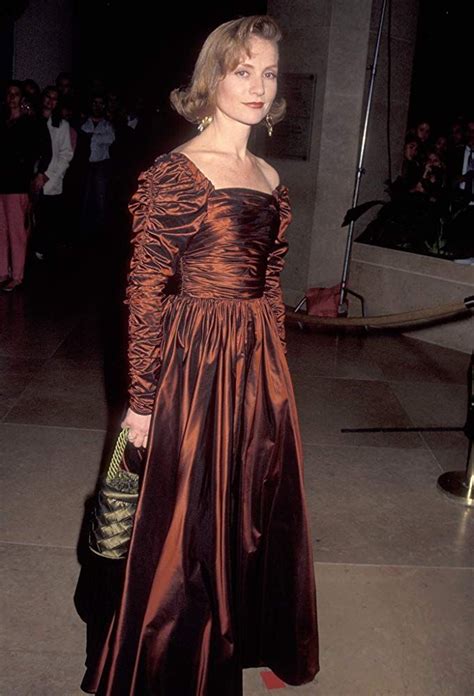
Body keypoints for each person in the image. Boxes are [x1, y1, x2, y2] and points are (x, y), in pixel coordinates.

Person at [81, 14, 319, 696]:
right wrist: (143, 402)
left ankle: (234, 634)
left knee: (245, 508)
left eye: (268, 73)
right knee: (186, 523)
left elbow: (270, 286)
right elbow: (145, 293)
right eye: (243, 70)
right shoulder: (177, 173)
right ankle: (169, 659)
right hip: (191, 363)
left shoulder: (270, 175)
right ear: (212, 76)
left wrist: (273, 380)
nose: (257, 85)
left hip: (255, 367)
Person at [0, 81, 51, 291]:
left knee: (16, 232)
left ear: (22, 98)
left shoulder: (30, 123)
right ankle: (2, 271)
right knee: (0, 231)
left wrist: (40, 174)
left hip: (18, 184)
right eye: (9, 94)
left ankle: (17, 275)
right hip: (1, 183)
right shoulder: (3, 122)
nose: (12, 97)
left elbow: (46, 150)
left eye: (16, 94)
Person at [33, 85, 74, 261]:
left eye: (54, 98)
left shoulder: (62, 125)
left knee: (45, 222)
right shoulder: (32, 120)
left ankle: (40, 253)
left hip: (50, 180)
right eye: (47, 97)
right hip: (30, 177)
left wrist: (47, 175)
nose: (50, 101)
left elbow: (66, 155)